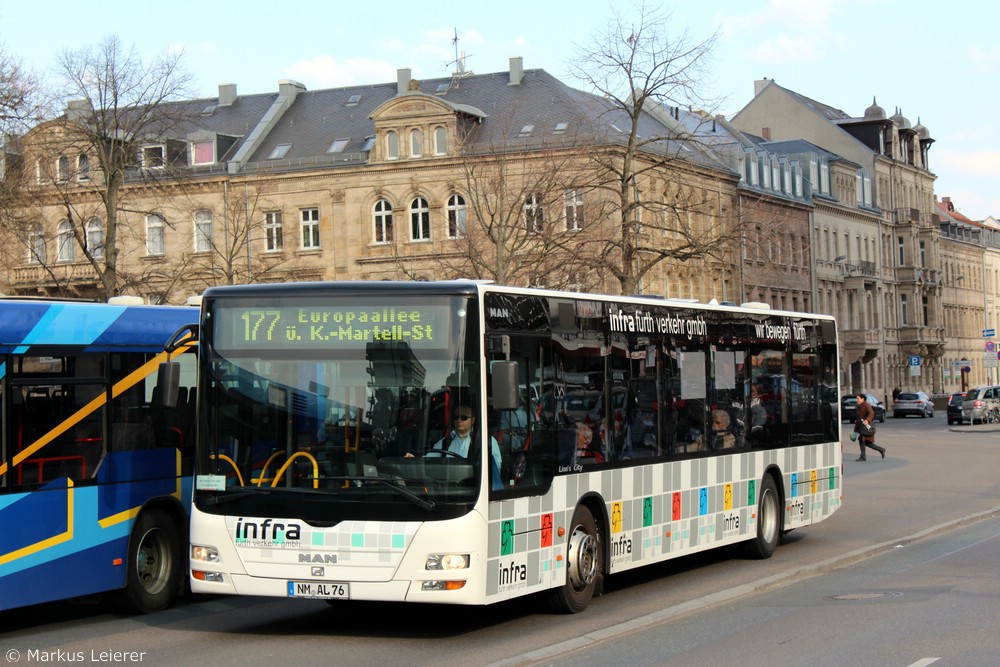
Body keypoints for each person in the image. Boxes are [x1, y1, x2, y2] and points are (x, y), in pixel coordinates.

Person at [406, 405, 503, 489]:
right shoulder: (444, 442)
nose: (459, 420)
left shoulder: (486, 441)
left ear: (473, 420)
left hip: (475, 492)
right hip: (449, 492)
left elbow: (495, 470)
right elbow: (429, 459)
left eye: (464, 417)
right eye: (456, 417)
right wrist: (415, 460)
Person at [854, 393, 886, 461]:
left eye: (858, 399)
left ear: (862, 399)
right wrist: (856, 429)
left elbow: (871, 413)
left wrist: (867, 420)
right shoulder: (860, 406)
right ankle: (881, 450)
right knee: (865, 442)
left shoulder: (866, 405)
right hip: (862, 427)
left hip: (866, 427)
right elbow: (859, 418)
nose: (857, 400)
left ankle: (863, 456)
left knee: (864, 441)